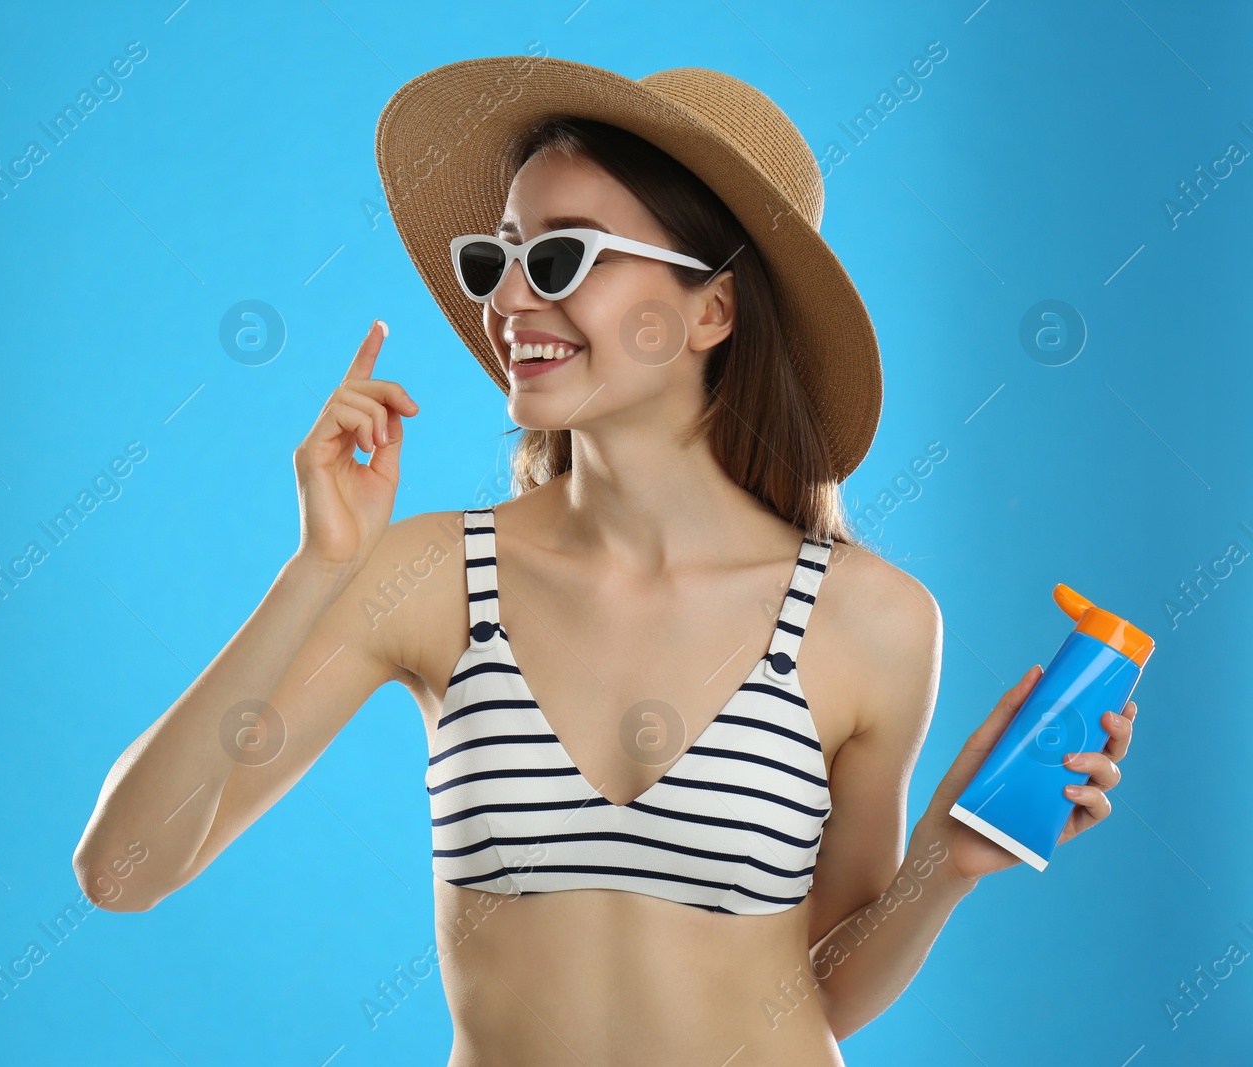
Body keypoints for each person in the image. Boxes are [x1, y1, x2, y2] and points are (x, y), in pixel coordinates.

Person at [72, 56, 1138, 1065]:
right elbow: (120, 870)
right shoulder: (429, 575)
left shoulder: (873, 620)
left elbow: (821, 989)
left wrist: (943, 864)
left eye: (560, 257)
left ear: (710, 308)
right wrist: (317, 566)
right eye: (496, 260)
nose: (506, 302)